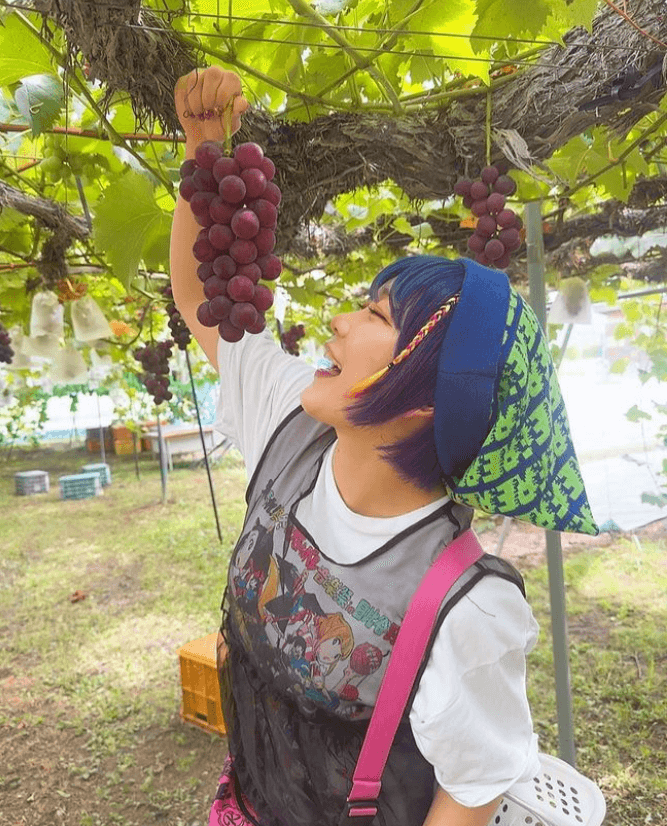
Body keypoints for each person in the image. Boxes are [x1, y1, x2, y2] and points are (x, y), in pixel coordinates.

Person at [171, 67, 599, 826]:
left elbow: (472, 788)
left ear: (425, 401)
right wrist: (203, 152)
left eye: (373, 314)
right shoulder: (291, 430)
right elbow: (202, 309)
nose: (337, 320)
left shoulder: (465, 609)